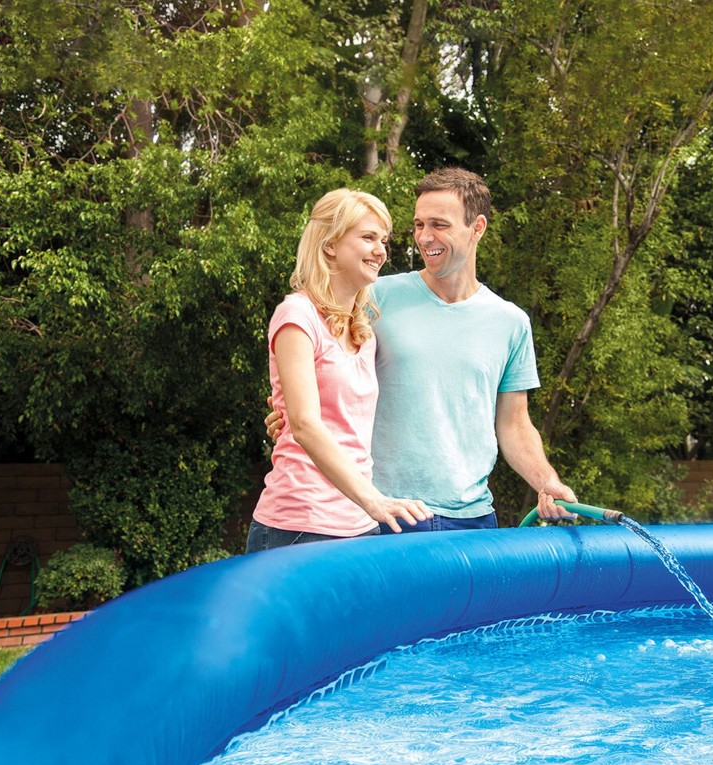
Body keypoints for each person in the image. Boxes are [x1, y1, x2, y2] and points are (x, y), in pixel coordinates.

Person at [266, 168, 576, 532]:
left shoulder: (511, 322)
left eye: (439, 225)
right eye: (418, 225)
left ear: (477, 227)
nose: (424, 237)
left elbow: (514, 424)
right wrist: (286, 416)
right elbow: (315, 374)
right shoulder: (372, 297)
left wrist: (545, 480)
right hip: (383, 512)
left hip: (473, 518)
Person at [246, 188, 430, 552]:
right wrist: (373, 500)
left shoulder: (363, 332)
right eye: (368, 237)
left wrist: (368, 507)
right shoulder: (296, 316)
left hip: (360, 524)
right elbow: (305, 424)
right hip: (300, 524)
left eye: (383, 240)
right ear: (330, 245)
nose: (380, 250)